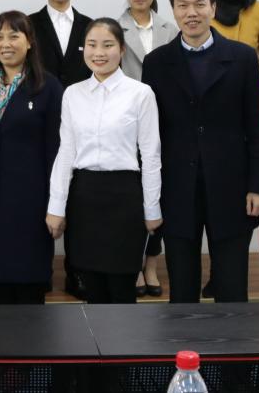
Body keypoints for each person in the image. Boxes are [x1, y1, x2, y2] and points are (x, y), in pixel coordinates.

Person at [141, 0, 259, 304]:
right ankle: (184, 338)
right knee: (182, 288)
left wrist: (258, 185)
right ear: (173, 10)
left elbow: (257, 126)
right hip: (177, 186)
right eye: (182, 5)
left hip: (232, 186)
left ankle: (232, 339)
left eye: (200, 4)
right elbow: (150, 135)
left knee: (232, 286)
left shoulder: (242, 57)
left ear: (213, 7)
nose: (191, 13)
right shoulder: (156, 63)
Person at [45, 18, 162, 304]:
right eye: (92, 45)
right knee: (92, 288)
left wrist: (152, 208)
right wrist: (56, 207)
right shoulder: (72, 94)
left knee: (122, 287)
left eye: (108, 45)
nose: (99, 52)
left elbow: (151, 155)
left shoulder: (140, 93)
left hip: (125, 197)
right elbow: (66, 152)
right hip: (84, 196)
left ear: (121, 50)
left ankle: (123, 336)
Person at [0, 12, 61, 304]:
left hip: (31, 202)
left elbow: (58, 150)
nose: (5, 43)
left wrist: (56, 203)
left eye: (14, 36)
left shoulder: (49, 87)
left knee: (29, 287)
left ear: (30, 41)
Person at [28, 0, 92, 298]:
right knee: (42, 193)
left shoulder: (90, 26)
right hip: (40, 118)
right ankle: (39, 270)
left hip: (84, 121)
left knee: (78, 197)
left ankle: (76, 270)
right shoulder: (28, 24)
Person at [117, 0, 178, 298]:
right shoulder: (115, 28)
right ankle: (134, 265)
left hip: (165, 117)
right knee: (132, 194)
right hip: (127, 120)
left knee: (158, 192)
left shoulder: (170, 28)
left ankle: (152, 264)